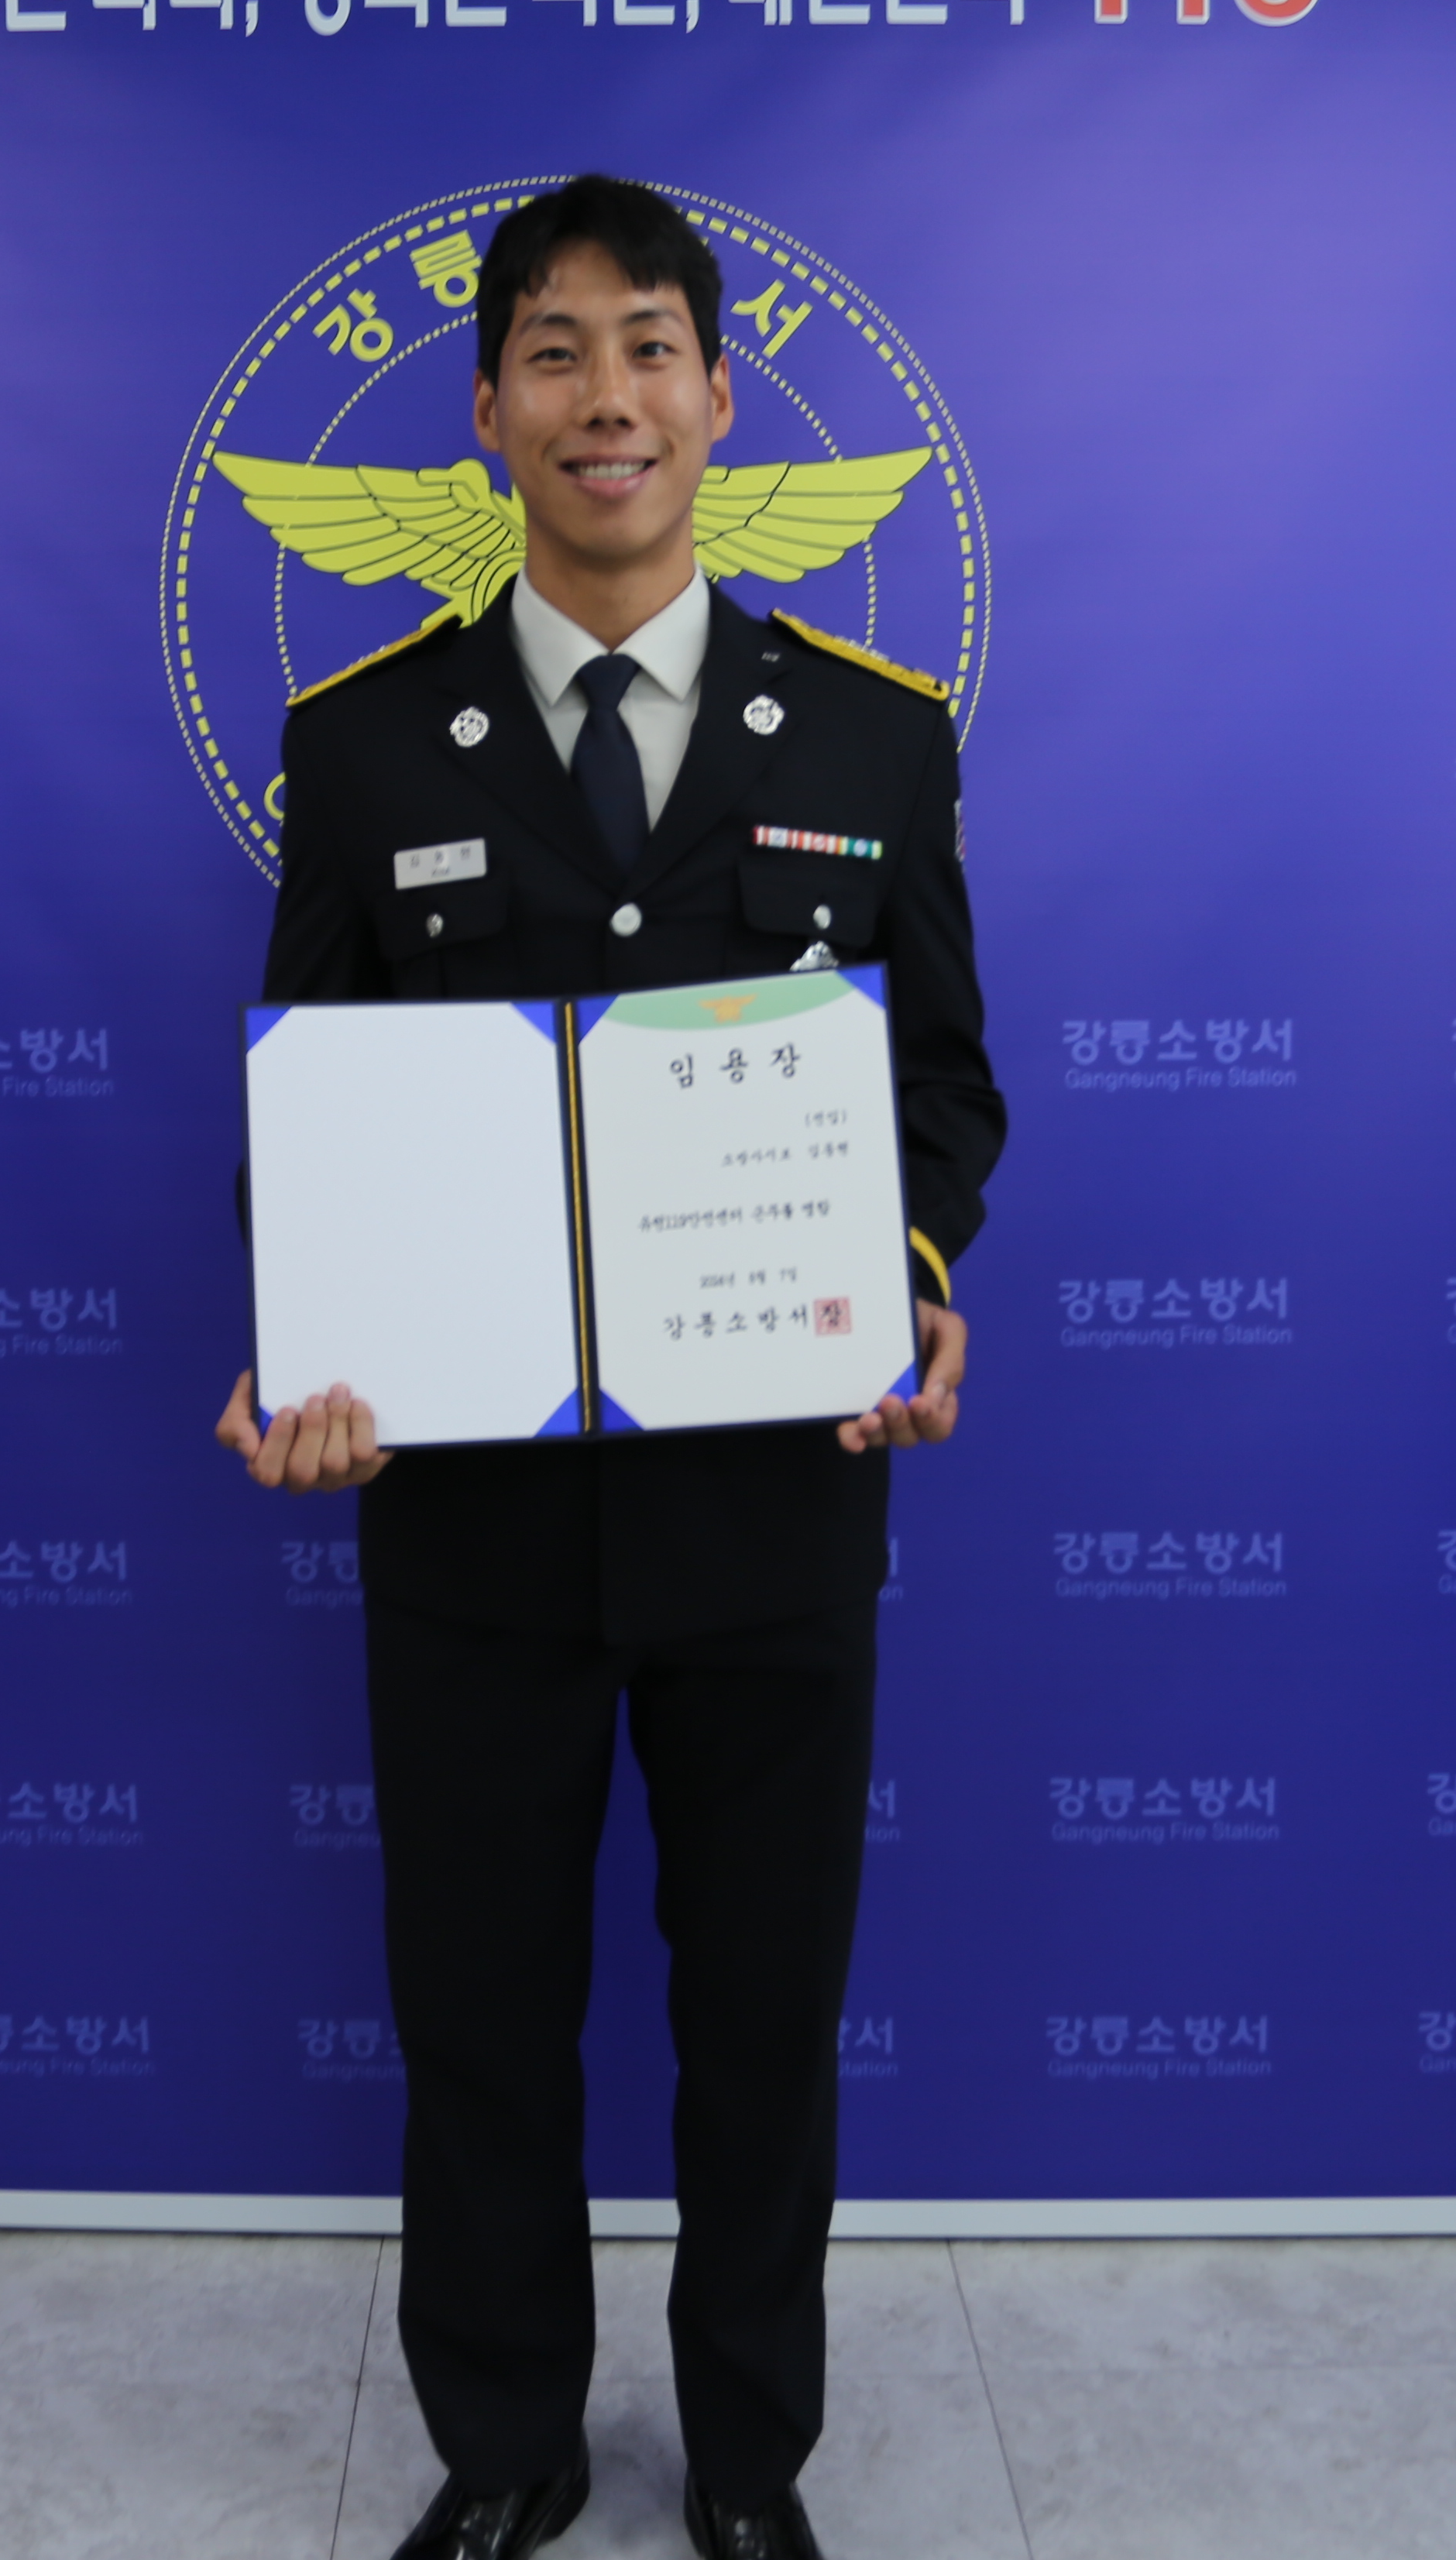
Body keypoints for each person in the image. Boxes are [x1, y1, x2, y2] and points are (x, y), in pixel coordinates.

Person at [216, 175, 1004, 2560]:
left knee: (764, 2023)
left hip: (778, 1497)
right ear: (485, 412)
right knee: (480, 2022)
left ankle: (750, 2465)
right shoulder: (368, 746)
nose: (606, 396)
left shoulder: (870, 735)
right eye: (554, 352)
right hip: (474, 1532)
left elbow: (943, 1083)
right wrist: (304, 1355)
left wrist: (909, 1273)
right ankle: (509, 2448)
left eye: (648, 346)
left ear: (719, 398)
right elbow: (310, 1108)